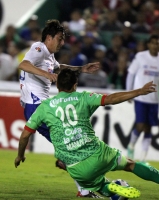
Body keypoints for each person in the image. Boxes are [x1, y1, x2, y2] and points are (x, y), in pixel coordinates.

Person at [14, 68, 159, 199]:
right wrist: (139, 91)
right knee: (130, 164)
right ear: (75, 85)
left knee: (97, 185)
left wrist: (20, 155)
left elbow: (24, 135)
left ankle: (112, 188)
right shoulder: (83, 97)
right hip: (98, 155)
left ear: (57, 85)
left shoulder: (44, 107)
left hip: (75, 168)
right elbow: (112, 99)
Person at [18, 19, 101, 198]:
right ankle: (84, 188)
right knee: (68, 144)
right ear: (49, 37)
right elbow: (23, 64)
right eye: (59, 38)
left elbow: (60, 67)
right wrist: (46, 74)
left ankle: (81, 185)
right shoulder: (38, 48)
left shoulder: (48, 55)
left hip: (41, 106)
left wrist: (81, 69)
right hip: (36, 106)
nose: (62, 43)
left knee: (66, 144)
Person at [126, 34, 159, 163]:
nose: (155, 45)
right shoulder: (140, 57)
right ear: (148, 44)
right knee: (140, 126)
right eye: (152, 43)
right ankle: (131, 145)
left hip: (154, 99)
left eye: (157, 43)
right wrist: (130, 92)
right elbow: (131, 73)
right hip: (140, 98)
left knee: (149, 128)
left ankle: (143, 158)